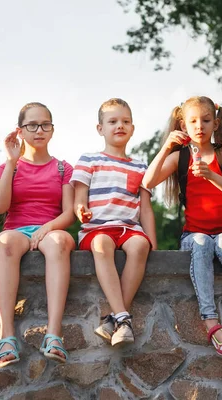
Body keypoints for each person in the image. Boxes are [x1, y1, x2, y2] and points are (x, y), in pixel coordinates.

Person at [142, 96, 222, 356]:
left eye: (206, 120)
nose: (200, 126)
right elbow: (148, 181)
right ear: (183, 125)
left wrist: (212, 175)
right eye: (193, 121)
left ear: (216, 123)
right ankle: (211, 321)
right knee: (201, 242)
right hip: (194, 235)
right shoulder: (180, 157)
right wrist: (165, 148)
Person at [0, 102, 75, 367]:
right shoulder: (10, 167)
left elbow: (69, 214)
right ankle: (6, 338)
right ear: (20, 131)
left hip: (51, 230)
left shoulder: (63, 168)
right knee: (5, 243)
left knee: (60, 242)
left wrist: (45, 229)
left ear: (52, 129)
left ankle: (53, 335)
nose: (39, 130)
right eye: (32, 125)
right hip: (16, 230)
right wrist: (11, 161)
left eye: (45, 125)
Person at [71, 98, 157, 347]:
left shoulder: (141, 165)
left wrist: (153, 242)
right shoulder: (88, 160)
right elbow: (79, 200)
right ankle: (124, 318)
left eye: (125, 121)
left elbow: (146, 208)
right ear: (100, 128)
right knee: (101, 244)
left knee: (141, 246)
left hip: (129, 229)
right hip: (96, 229)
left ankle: (116, 318)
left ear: (132, 127)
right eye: (113, 121)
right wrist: (81, 211)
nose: (120, 125)